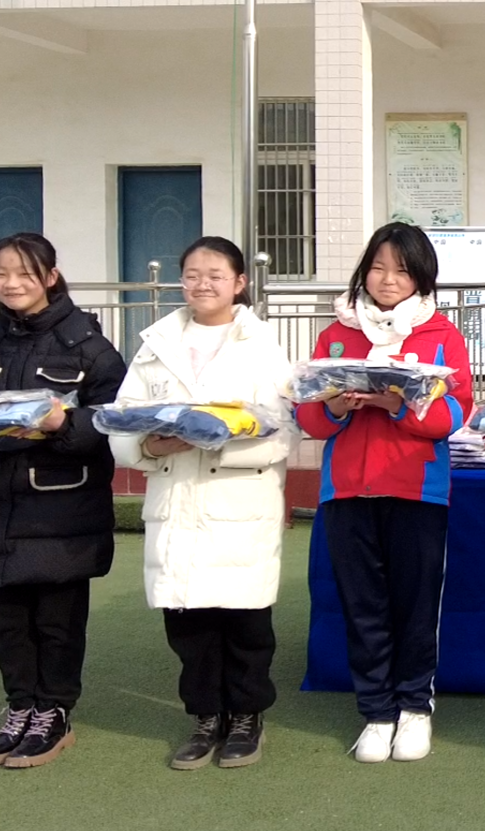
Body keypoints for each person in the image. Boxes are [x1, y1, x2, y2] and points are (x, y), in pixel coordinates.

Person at [0, 233, 126, 769]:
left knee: (56, 622)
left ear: (50, 277)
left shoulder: (88, 344)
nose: (12, 284)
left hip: (60, 508)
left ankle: (53, 714)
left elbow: (111, 418)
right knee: (6, 622)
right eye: (1, 274)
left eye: (25, 274)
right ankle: (19, 710)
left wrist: (62, 425)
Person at [109, 237, 298, 770]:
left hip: (238, 501)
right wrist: (150, 446)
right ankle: (205, 717)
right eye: (192, 274)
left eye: (215, 275)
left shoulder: (262, 346)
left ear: (239, 283)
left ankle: (246, 717)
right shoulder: (156, 344)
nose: (202, 284)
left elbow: (285, 429)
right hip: (177, 498)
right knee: (187, 622)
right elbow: (123, 418)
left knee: (244, 621)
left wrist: (216, 439)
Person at [295, 222, 473, 764]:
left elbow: (454, 415)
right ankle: (376, 711)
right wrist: (335, 407)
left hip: (418, 489)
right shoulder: (336, 335)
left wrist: (400, 405)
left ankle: (415, 707)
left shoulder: (442, 335)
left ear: (422, 277)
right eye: (378, 267)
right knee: (363, 605)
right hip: (347, 489)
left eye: (401, 270)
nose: (388, 279)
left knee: (415, 606)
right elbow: (308, 417)